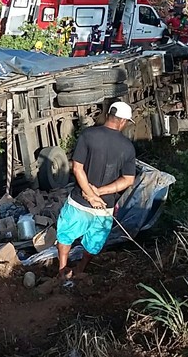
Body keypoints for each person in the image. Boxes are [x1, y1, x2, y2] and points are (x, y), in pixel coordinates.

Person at [56, 102, 136, 280]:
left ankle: (62, 270)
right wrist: (99, 192)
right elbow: (128, 180)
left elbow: (77, 168)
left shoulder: (88, 135)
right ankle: (80, 269)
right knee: (94, 243)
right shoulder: (128, 147)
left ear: (108, 115)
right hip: (104, 208)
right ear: (123, 122)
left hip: (79, 202)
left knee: (65, 235)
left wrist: (90, 194)